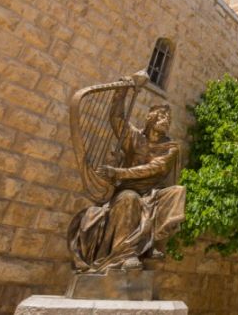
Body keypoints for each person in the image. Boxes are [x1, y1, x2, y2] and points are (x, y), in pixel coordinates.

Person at [67, 79, 185, 273]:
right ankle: (126, 254)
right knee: (129, 198)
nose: (167, 122)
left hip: (152, 194)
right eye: (163, 117)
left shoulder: (170, 147)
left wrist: (118, 172)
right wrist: (122, 91)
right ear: (152, 119)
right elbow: (117, 119)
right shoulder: (135, 137)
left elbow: (156, 168)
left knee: (178, 192)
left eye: (169, 119)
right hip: (128, 190)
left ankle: (152, 245)